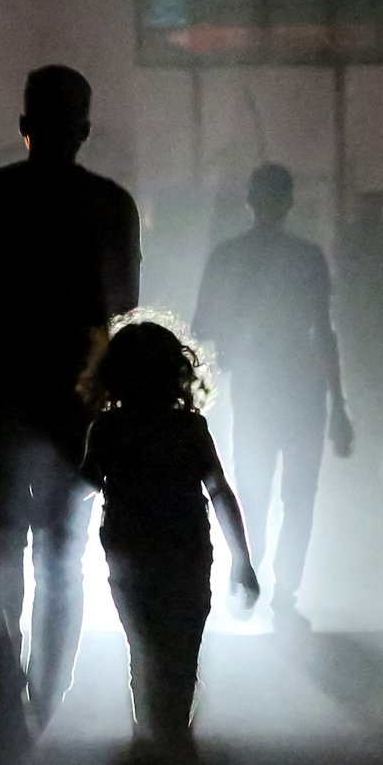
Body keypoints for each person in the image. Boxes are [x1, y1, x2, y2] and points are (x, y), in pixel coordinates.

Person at [0, 65, 142, 728]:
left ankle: (0, 691)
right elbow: (120, 315)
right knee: (63, 556)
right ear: (84, 131)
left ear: (23, 125)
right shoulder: (112, 206)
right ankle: (45, 702)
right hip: (74, 414)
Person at [81, 318, 258, 743]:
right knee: (182, 646)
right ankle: (174, 727)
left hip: (130, 556)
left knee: (143, 647)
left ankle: (151, 731)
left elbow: (82, 487)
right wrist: (242, 560)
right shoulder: (189, 428)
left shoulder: (109, 429)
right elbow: (219, 492)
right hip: (188, 554)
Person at [192, 163, 352, 631]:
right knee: (298, 495)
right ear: (290, 202)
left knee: (252, 489)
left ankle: (248, 577)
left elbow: (203, 326)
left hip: (256, 388)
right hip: (302, 390)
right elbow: (325, 332)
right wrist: (338, 405)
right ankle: (283, 592)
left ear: (250, 200)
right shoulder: (307, 258)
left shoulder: (228, 256)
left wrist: (234, 343)